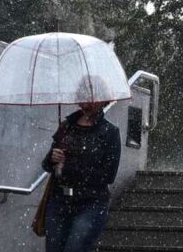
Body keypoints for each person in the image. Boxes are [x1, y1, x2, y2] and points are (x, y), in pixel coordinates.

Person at [41, 101, 121, 252]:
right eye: (83, 98)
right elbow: (46, 165)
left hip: (91, 203)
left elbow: (109, 175)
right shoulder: (66, 127)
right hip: (60, 201)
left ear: (103, 101)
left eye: (92, 100)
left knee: (75, 247)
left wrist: (72, 166)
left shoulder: (109, 132)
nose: (86, 104)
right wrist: (53, 158)